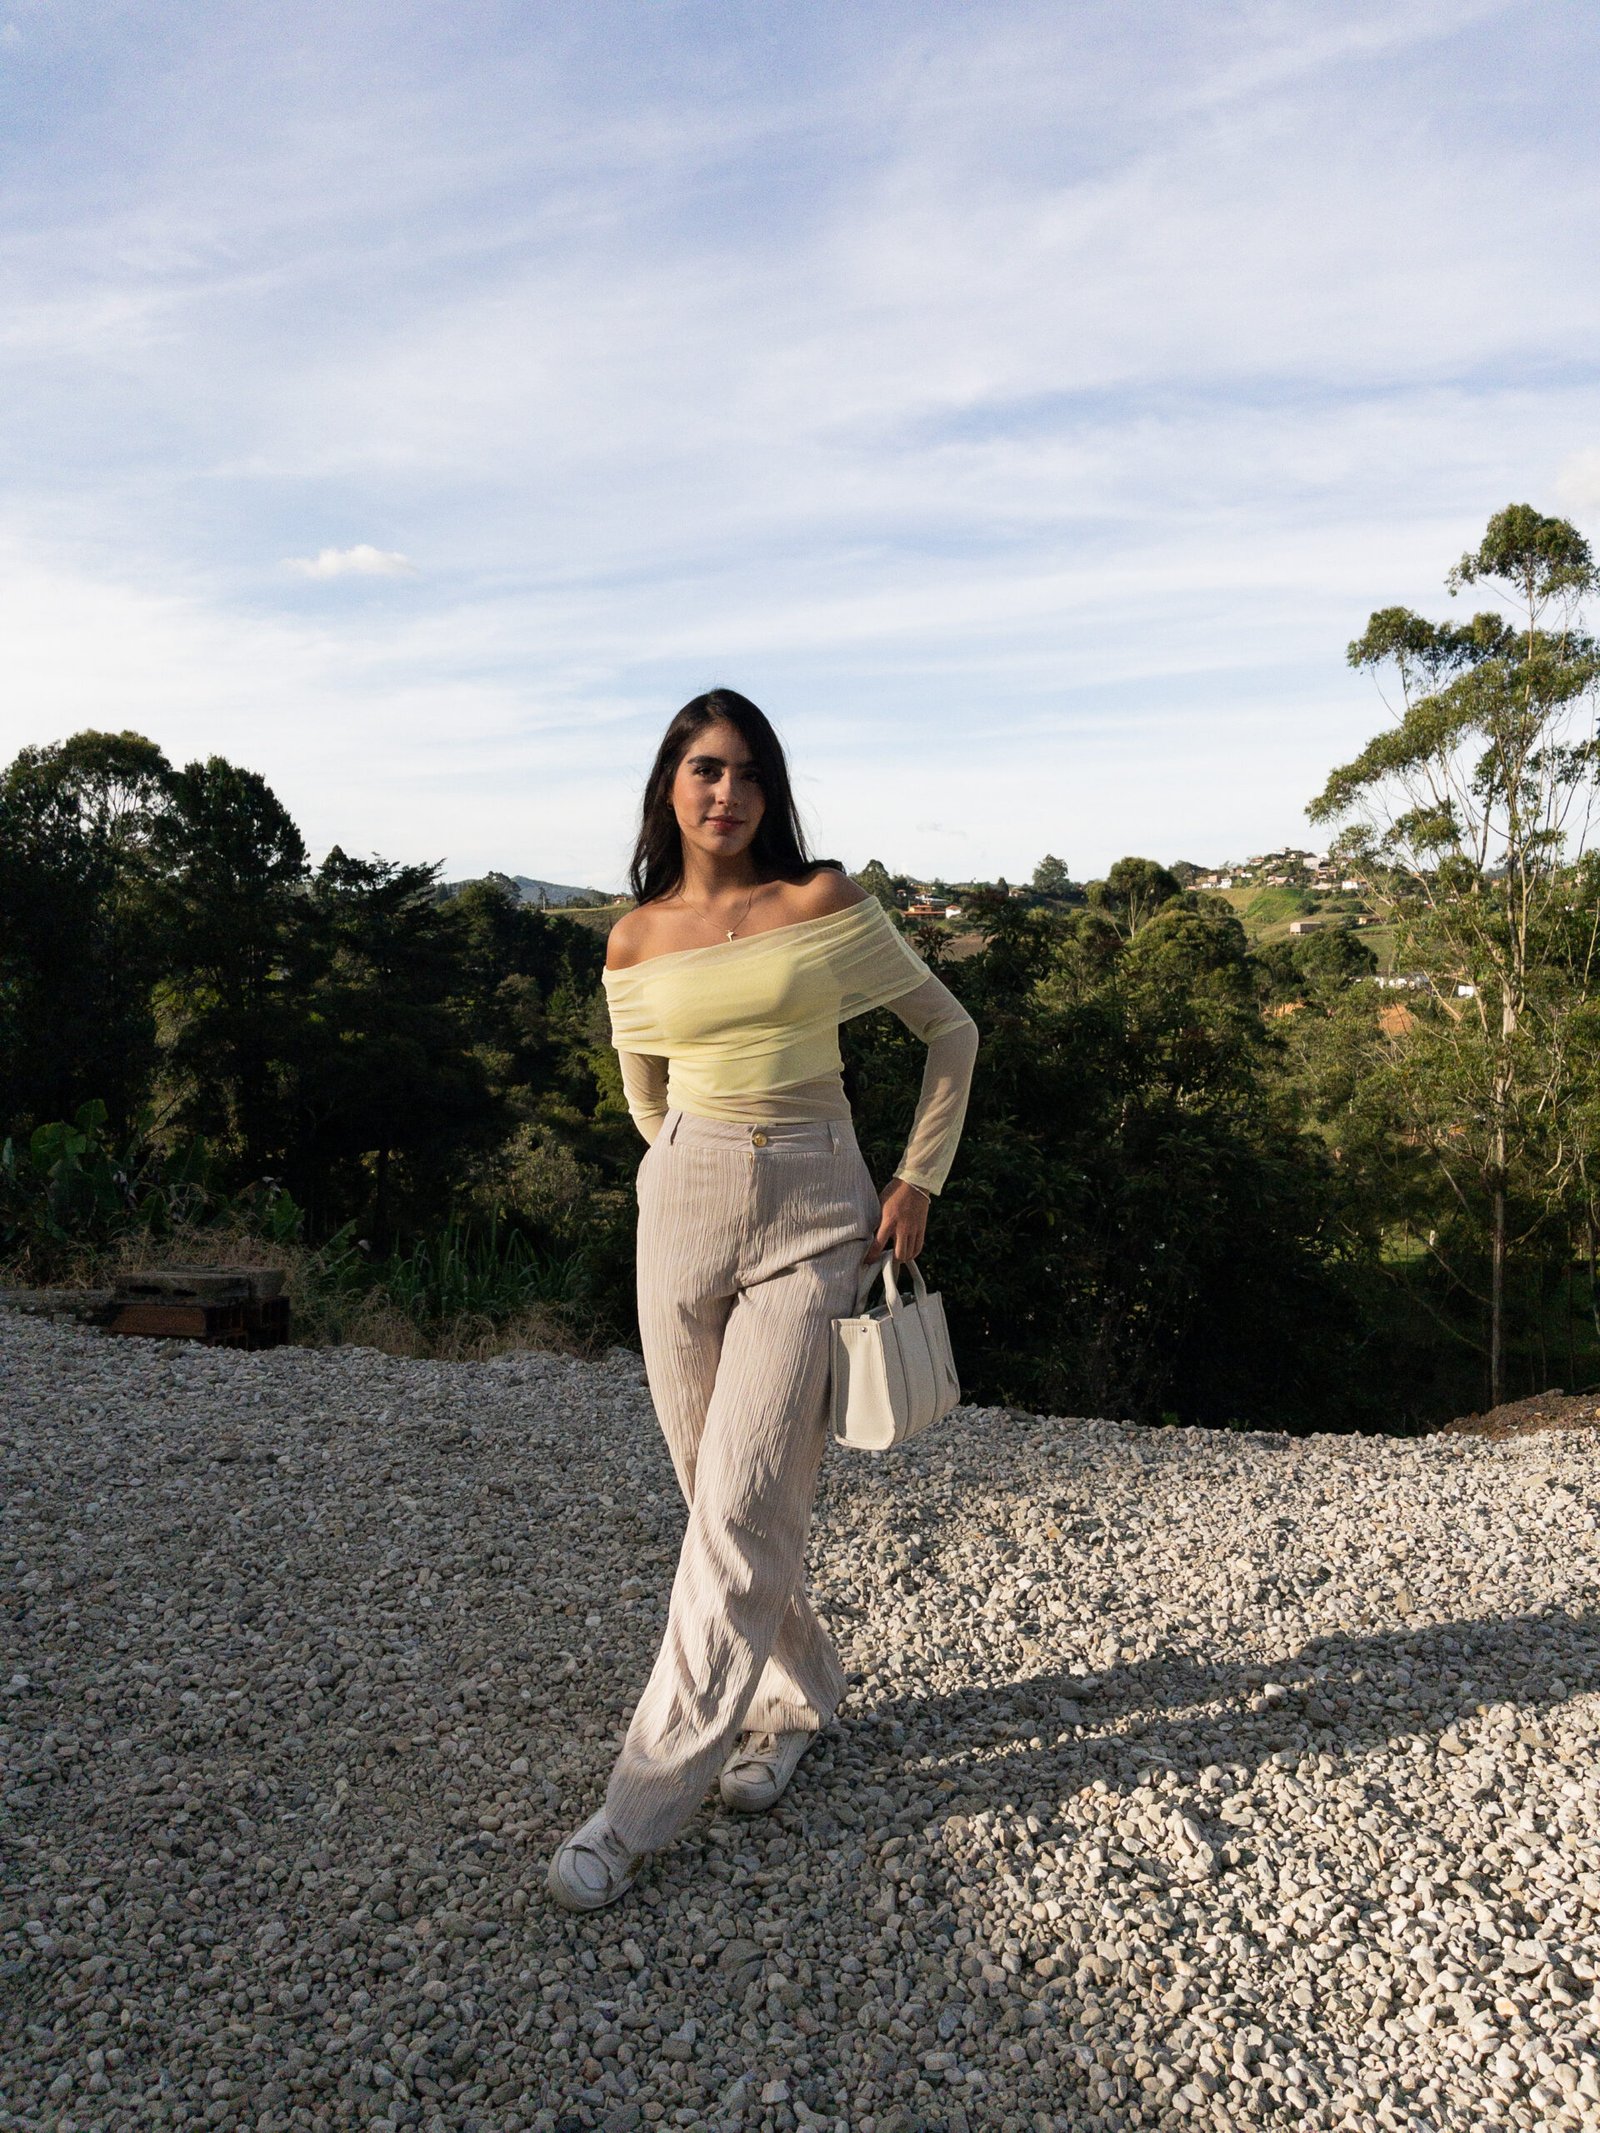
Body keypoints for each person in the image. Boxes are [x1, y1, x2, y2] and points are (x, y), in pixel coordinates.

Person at [547, 689, 980, 1911]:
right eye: (704, 769)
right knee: (714, 1495)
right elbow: (643, 1092)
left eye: (746, 772)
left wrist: (916, 1179)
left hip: (814, 1205)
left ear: (770, 790)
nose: (725, 792)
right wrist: (686, 1169)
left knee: (740, 1502)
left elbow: (950, 1033)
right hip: (681, 1203)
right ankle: (795, 1698)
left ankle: (638, 1809)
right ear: (669, 786)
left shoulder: (821, 903)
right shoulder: (634, 941)